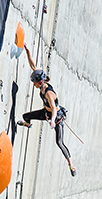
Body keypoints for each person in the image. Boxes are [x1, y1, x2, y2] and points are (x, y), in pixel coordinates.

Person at [19, 44, 75, 176]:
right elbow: (33, 65)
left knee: (59, 142)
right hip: (46, 113)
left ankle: (71, 165)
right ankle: (28, 124)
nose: (33, 84)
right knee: (26, 116)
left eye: (34, 82)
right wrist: (27, 51)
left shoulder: (49, 93)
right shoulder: (40, 82)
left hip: (56, 118)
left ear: (40, 82)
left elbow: (54, 109)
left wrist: (53, 121)